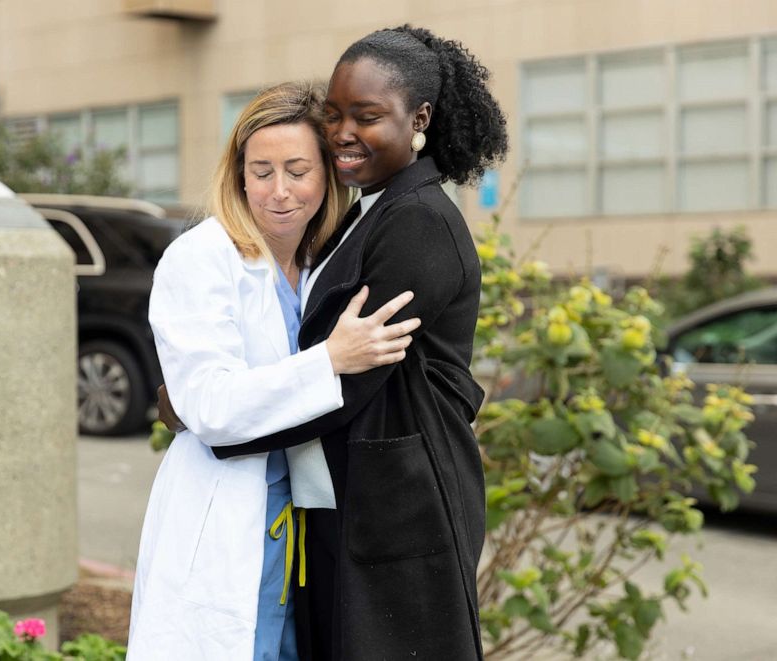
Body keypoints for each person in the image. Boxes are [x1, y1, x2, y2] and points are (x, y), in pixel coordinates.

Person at [169, 25, 509, 660]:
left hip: (404, 509)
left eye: (368, 116)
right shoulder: (368, 210)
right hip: (351, 502)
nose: (344, 133)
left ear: (420, 119)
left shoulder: (419, 223)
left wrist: (195, 414)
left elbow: (345, 382)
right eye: (334, 115)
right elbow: (320, 357)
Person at [126, 81, 421, 660]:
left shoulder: (321, 264)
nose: (279, 192)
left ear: (328, 175)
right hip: (226, 520)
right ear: (238, 174)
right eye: (261, 171)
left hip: (301, 529)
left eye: (298, 170)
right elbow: (208, 405)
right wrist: (330, 361)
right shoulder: (202, 258)